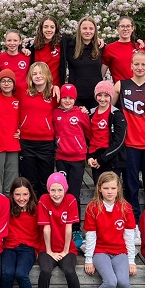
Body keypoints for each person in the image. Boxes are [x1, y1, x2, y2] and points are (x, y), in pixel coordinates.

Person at [83, 172, 137, 288]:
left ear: (119, 188)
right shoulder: (93, 207)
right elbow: (91, 236)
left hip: (120, 251)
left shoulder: (125, 207)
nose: (110, 191)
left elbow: (129, 236)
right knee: (111, 282)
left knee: (124, 282)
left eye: (113, 188)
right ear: (99, 188)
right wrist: (88, 259)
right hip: (101, 251)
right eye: (106, 188)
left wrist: (131, 260)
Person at [115, 50, 145, 222]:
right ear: (131, 66)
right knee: (131, 185)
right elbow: (109, 110)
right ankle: (132, 221)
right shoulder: (121, 85)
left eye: (143, 64)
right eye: (137, 64)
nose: (140, 67)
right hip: (130, 143)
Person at [36, 172, 83, 288]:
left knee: (70, 271)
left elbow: (69, 227)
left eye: (60, 190)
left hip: (66, 248)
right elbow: (46, 228)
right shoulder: (43, 200)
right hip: (46, 248)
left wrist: (64, 251)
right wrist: (49, 251)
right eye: (53, 190)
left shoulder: (70, 200)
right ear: (48, 190)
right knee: (45, 271)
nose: (56, 194)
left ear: (65, 190)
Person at [1, 177, 41, 288]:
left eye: (25, 194)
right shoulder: (8, 208)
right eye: (17, 194)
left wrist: (39, 250)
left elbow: (42, 231)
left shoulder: (36, 209)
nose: (21, 198)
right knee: (7, 273)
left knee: (21, 274)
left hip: (28, 248)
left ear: (30, 194)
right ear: (11, 195)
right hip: (9, 247)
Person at [52, 83, 89, 242]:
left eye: (70, 98)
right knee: (61, 192)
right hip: (61, 158)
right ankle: (60, 225)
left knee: (74, 194)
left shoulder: (81, 113)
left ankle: (75, 228)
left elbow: (89, 132)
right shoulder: (55, 113)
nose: (67, 101)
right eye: (64, 97)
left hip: (78, 158)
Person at [18, 62, 57, 199]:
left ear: (47, 75)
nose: (38, 76)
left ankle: (44, 212)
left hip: (46, 143)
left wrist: (82, 110)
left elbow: (68, 105)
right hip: (26, 142)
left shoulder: (53, 93)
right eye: (34, 73)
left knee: (45, 181)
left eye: (41, 73)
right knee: (29, 181)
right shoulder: (23, 90)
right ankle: (31, 213)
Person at [87, 80, 127, 183]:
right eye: (99, 95)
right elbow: (88, 137)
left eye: (106, 95)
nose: (103, 99)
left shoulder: (117, 115)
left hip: (111, 158)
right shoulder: (90, 114)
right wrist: (90, 157)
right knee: (99, 190)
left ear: (111, 97)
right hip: (96, 158)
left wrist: (103, 159)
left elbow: (119, 141)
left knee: (111, 191)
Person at [0, 69, 21, 195]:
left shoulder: (17, 100)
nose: (6, 84)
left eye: (9, 81)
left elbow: (26, 118)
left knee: (11, 180)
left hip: (13, 144)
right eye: (3, 81)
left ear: (14, 84)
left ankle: (10, 209)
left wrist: (21, 131)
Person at [61, 16, 103, 109]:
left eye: (91, 28)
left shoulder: (100, 47)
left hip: (96, 96)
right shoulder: (70, 46)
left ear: (95, 31)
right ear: (79, 30)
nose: (88, 31)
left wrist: (136, 39)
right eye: (84, 28)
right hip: (75, 97)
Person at [102, 16, 140, 82]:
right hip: (120, 89)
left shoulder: (140, 47)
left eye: (128, 26)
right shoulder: (109, 48)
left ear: (132, 28)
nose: (125, 29)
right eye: (122, 26)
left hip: (140, 88)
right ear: (117, 28)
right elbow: (102, 73)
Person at [28, 16, 63, 87]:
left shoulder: (62, 44)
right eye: (46, 27)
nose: (49, 30)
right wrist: (22, 49)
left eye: (52, 27)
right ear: (41, 29)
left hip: (55, 88)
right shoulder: (32, 45)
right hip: (38, 88)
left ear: (56, 29)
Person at [0, 29, 30, 94]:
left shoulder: (27, 56)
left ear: (20, 41)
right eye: (9, 40)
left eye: (15, 40)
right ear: (5, 42)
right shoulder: (0, 58)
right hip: (6, 94)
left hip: (23, 93)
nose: (12, 43)